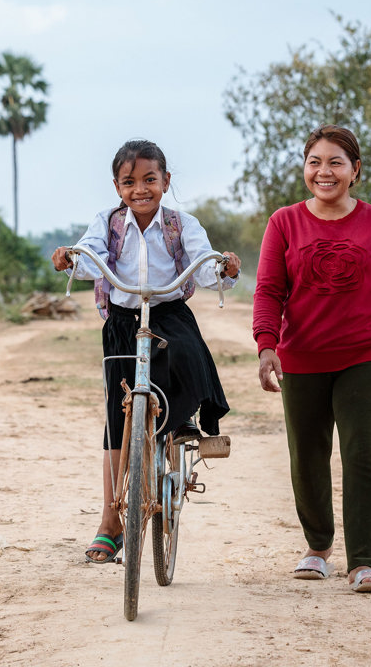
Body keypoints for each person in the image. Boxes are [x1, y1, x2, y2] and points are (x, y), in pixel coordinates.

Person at [252, 124, 371, 593]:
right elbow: (269, 290)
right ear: (304, 168)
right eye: (315, 162)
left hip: (365, 356)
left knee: (363, 452)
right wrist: (266, 346)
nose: (324, 171)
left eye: (335, 162)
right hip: (302, 357)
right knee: (307, 455)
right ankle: (317, 548)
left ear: (355, 171)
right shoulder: (284, 222)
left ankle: (363, 561)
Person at [52, 139, 241, 563]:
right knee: (115, 419)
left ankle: (185, 421)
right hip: (122, 321)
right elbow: (89, 257)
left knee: (190, 357)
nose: (141, 189)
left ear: (166, 181)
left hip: (168, 312)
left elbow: (204, 261)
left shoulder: (181, 223)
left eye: (150, 179)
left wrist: (222, 267)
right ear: (117, 186)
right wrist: (71, 259)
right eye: (129, 181)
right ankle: (109, 522)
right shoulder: (108, 222)